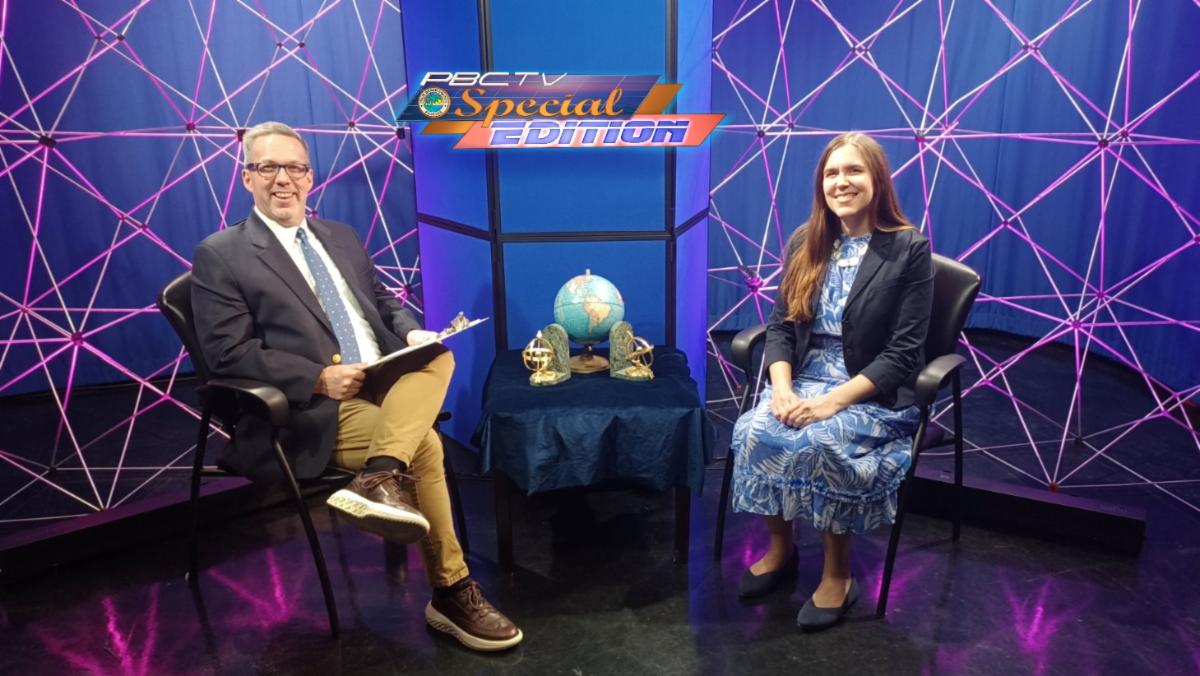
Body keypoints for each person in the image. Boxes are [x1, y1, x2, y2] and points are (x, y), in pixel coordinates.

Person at [191, 121, 522, 651]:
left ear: (310, 177)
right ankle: (451, 590)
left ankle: (377, 475)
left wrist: (411, 331)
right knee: (427, 445)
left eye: (294, 168)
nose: (283, 179)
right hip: (317, 406)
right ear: (247, 177)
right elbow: (227, 353)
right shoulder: (221, 253)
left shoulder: (340, 236)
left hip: (383, 378)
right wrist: (318, 378)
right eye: (268, 167)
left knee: (438, 354)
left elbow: (382, 302)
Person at [729, 132, 934, 631]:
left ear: (877, 179)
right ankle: (781, 549)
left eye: (853, 171)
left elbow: (904, 354)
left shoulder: (908, 248)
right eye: (831, 173)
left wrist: (830, 404)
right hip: (803, 377)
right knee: (754, 430)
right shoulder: (807, 240)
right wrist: (781, 388)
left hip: (868, 388)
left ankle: (838, 575)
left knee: (821, 442)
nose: (841, 182)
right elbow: (782, 326)